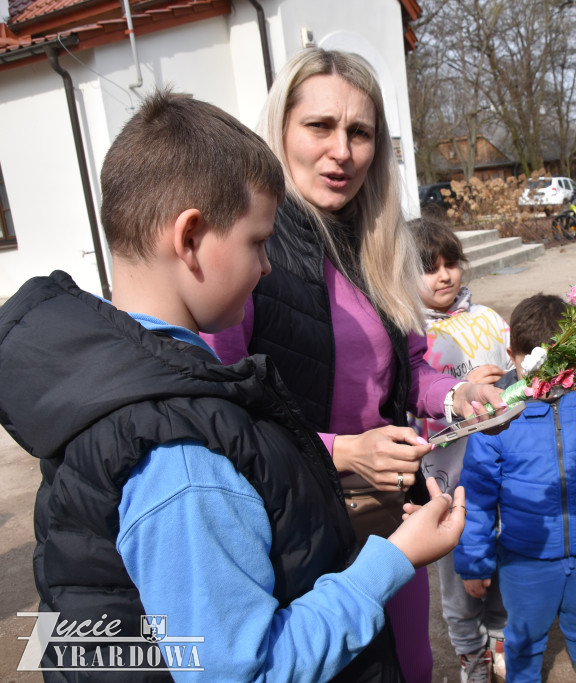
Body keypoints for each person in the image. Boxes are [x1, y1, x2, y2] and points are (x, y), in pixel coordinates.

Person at [0, 91, 466, 682]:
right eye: (255, 242)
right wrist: (392, 560)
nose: (267, 265)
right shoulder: (182, 453)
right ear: (190, 238)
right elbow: (243, 668)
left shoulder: (116, 385)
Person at [201, 48, 504, 682]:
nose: (341, 150)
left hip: (390, 514)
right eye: (320, 126)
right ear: (280, 129)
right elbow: (221, 418)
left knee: (413, 667)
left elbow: (408, 367)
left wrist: (456, 399)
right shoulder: (250, 252)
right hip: (301, 529)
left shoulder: (376, 243)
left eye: (359, 132)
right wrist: (342, 450)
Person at [454, 294, 576, 683]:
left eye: (558, 364)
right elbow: (476, 494)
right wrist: (474, 561)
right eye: (532, 364)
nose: (545, 377)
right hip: (524, 560)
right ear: (511, 354)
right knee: (524, 640)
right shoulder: (497, 417)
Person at [408, 217, 513, 682]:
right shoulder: (407, 330)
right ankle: (471, 656)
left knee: (500, 557)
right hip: (445, 476)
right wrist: (459, 392)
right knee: (456, 578)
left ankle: (500, 642)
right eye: (429, 267)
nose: (445, 275)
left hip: (500, 467)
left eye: (451, 263)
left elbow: (516, 379)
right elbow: (410, 404)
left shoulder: (487, 318)